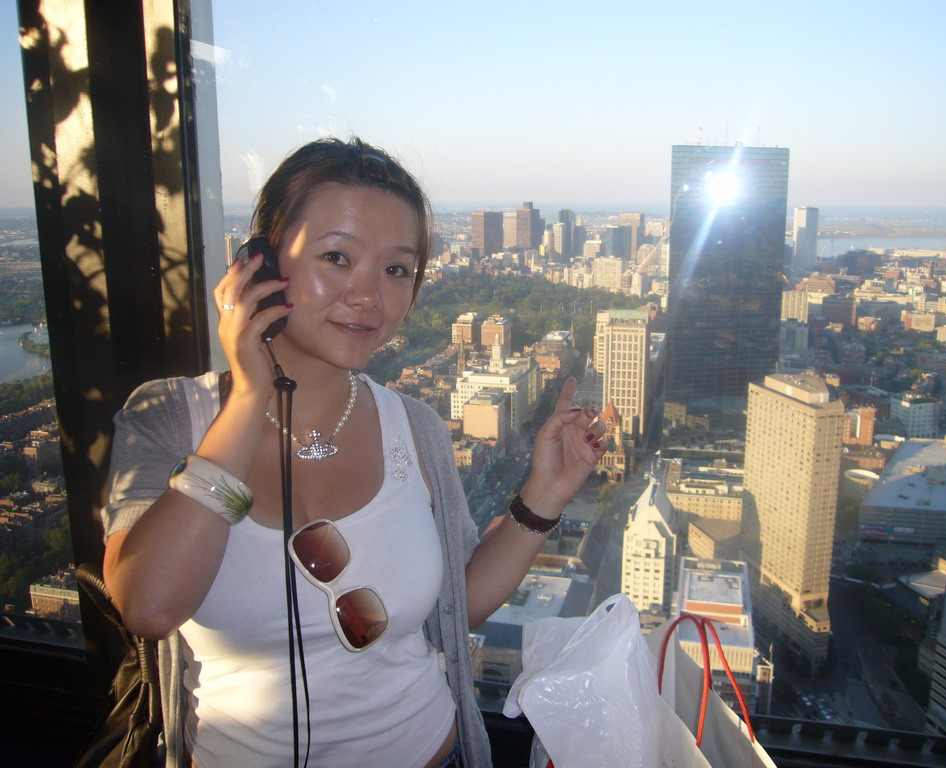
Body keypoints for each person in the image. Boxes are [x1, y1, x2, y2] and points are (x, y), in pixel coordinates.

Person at [101, 137, 607, 768]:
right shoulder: (169, 419)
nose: (369, 296)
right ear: (258, 267)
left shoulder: (415, 428)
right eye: (336, 257)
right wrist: (249, 395)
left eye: (396, 269)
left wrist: (545, 495)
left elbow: (460, 605)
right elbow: (148, 606)